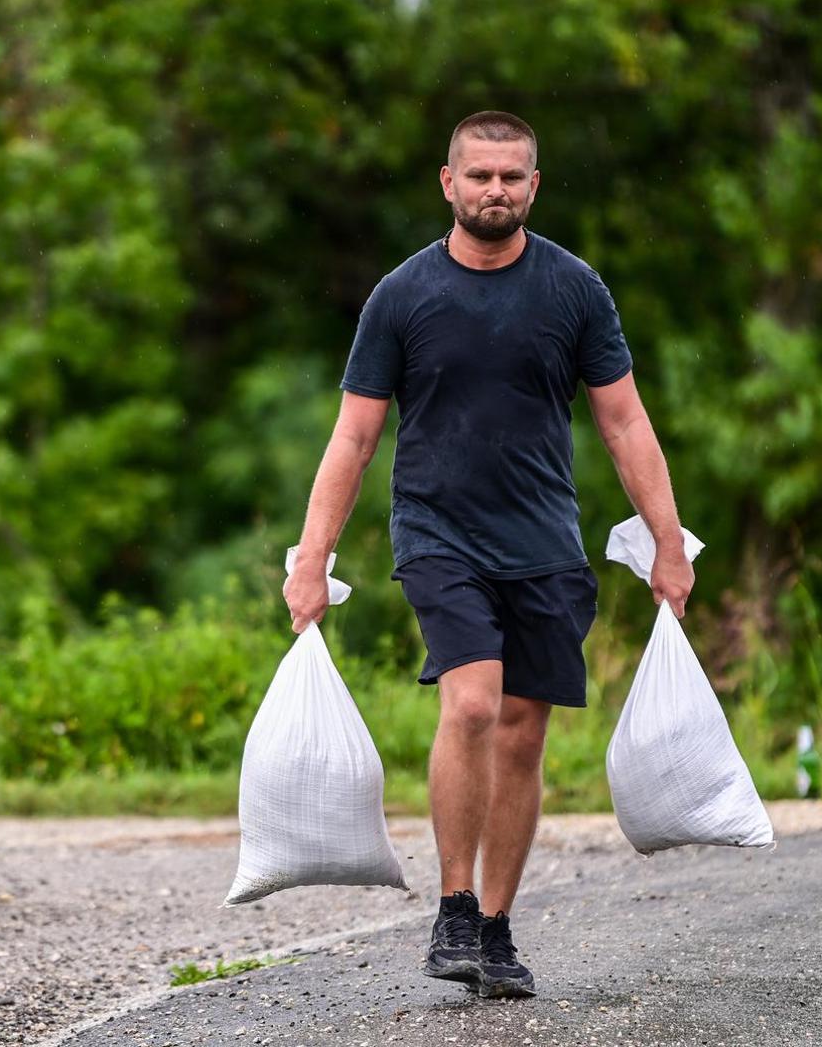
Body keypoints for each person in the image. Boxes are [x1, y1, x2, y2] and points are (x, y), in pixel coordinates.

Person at [282, 111, 694, 999]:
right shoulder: (401, 296)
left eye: (510, 177)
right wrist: (310, 556)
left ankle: (497, 932)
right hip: (438, 533)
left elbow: (622, 420)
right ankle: (454, 907)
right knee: (470, 703)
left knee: (522, 731)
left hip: (544, 540)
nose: (494, 190)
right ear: (448, 183)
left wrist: (667, 540)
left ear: (533, 187)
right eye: (479, 176)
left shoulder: (574, 290)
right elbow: (353, 440)